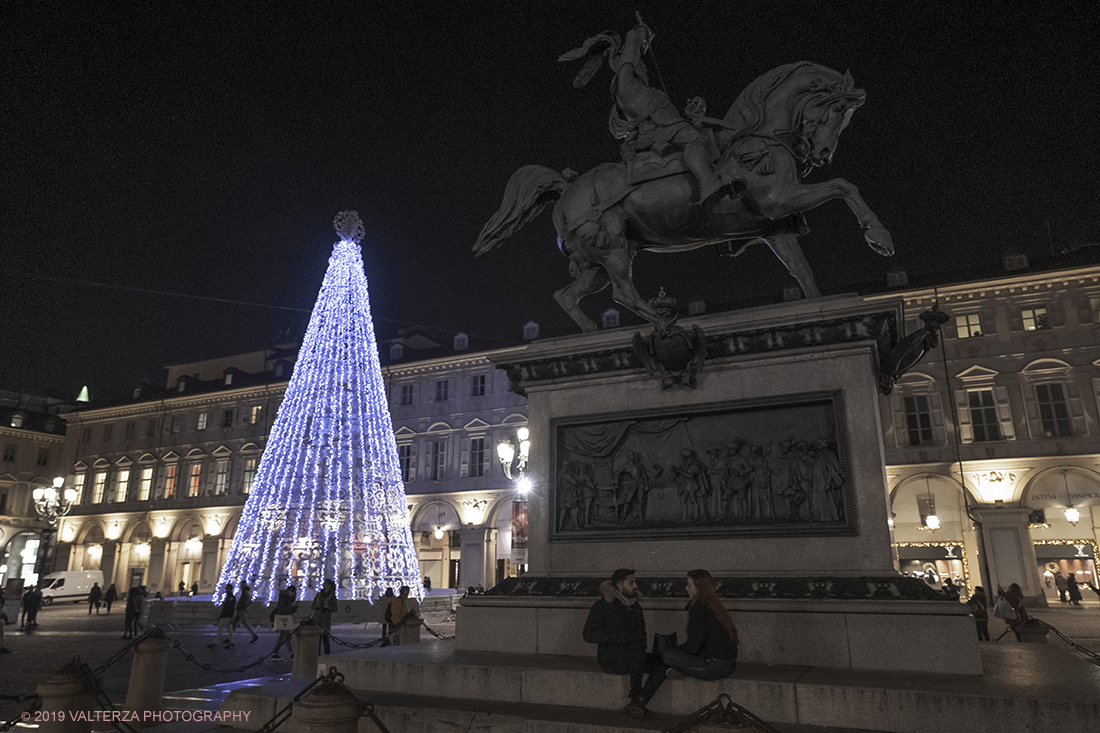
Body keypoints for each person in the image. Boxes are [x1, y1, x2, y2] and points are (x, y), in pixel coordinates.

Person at [583, 568, 667, 720]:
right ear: (620, 586)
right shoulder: (602, 606)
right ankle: (635, 698)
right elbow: (588, 634)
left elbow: (642, 632)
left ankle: (641, 701)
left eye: (635, 582)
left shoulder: (635, 607)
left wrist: (642, 644)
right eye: (631, 582)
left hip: (635, 656)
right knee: (638, 655)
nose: (635, 586)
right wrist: (616, 637)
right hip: (611, 658)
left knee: (663, 662)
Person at [659, 569, 738, 681]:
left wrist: (675, 650)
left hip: (714, 666)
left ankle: (686, 670)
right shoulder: (714, 606)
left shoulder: (699, 608)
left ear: (699, 588)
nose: (686, 589)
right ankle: (687, 670)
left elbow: (693, 646)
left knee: (667, 654)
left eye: (689, 586)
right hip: (730, 666)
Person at [271, 585, 298, 660]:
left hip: (286, 619)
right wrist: (291, 606)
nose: (293, 594)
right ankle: (290, 654)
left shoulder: (288, 598)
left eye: (294, 592)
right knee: (286, 636)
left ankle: (276, 652)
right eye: (292, 592)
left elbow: (287, 610)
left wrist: (294, 608)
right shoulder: (284, 598)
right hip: (283, 619)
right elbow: (281, 610)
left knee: (284, 636)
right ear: (288, 591)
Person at [311, 579, 337, 654]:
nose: (324, 585)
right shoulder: (319, 595)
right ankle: (317, 654)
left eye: (326, 584)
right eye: (324, 583)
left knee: (325, 638)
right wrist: (317, 605)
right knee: (317, 638)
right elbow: (313, 606)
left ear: (329, 586)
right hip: (318, 618)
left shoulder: (332, 596)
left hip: (326, 619)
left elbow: (335, 608)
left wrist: (327, 607)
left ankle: (327, 655)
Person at [209, 583, 237, 649]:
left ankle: (216, 643)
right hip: (227, 616)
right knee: (229, 630)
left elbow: (228, 608)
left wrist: (222, 615)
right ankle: (232, 642)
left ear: (229, 589)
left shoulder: (230, 597)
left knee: (220, 629)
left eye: (227, 588)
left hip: (226, 616)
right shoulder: (230, 597)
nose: (225, 589)